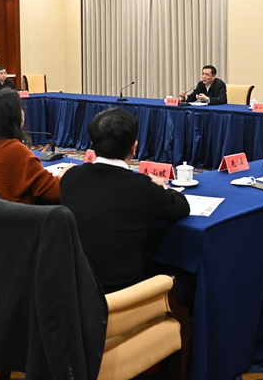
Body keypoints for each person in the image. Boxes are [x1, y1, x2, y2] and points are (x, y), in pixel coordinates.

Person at [60, 108, 190, 294]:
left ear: (92, 144)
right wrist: (163, 187)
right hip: (123, 291)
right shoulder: (142, 187)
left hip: (74, 284)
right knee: (186, 281)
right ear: (134, 148)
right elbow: (181, 207)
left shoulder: (70, 177)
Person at [0, 89, 65, 203]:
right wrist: (64, 175)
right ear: (14, 115)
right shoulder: (15, 150)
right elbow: (54, 192)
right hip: (7, 213)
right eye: (21, 108)